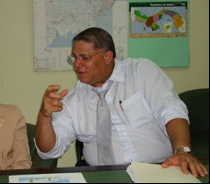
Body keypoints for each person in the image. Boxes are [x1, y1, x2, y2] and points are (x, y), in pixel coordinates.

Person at [35, 27, 208, 178]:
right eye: (75, 57)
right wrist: (44, 116)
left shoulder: (141, 72)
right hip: (101, 175)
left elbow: (171, 109)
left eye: (84, 57)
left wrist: (182, 151)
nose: (76, 65)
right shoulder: (73, 100)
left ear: (107, 57)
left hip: (158, 169)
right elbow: (49, 151)